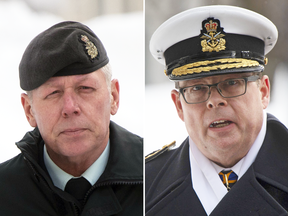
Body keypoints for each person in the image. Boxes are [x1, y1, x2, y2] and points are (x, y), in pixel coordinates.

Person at [145, 5, 288, 216]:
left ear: (263, 92)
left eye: (232, 82)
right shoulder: (146, 184)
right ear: (178, 106)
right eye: (197, 88)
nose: (215, 101)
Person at [0, 21, 143, 215]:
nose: (70, 108)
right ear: (29, 110)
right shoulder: (5, 194)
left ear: (113, 97)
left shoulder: (154, 180)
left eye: (85, 88)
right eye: (53, 93)